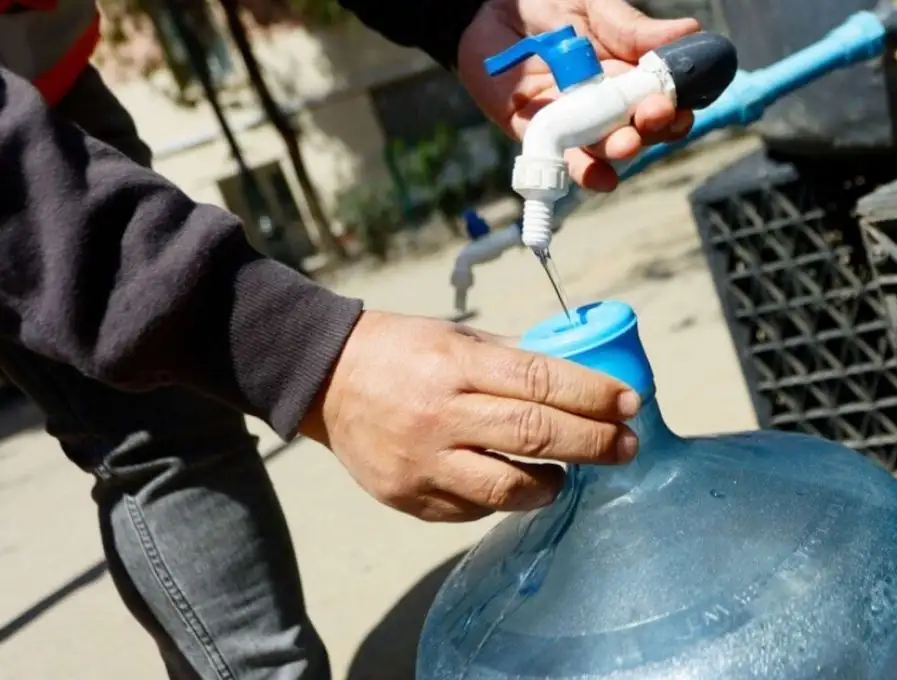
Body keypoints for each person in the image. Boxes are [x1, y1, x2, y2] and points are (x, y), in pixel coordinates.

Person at [0, 0, 699, 677]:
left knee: (178, 428)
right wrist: (314, 360)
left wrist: (463, 13)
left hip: (50, 62)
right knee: (153, 430)